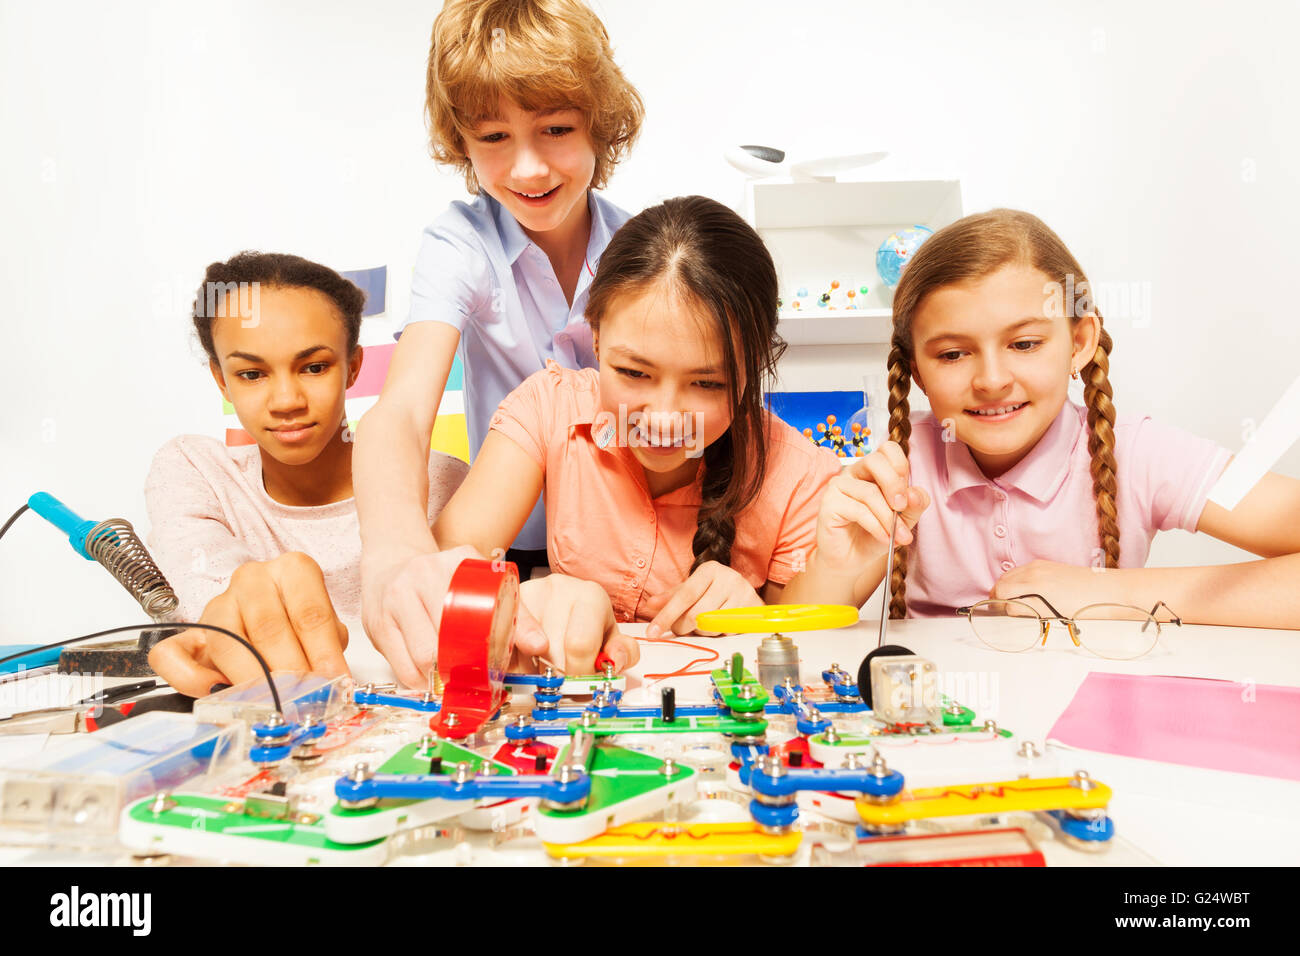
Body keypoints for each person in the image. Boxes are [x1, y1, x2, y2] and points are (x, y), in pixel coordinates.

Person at [782, 208, 1300, 628]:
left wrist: (1108, 593)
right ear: (916, 371)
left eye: (1024, 343)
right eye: (953, 354)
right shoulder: (901, 464)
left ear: (1079, 343)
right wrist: (836, 561)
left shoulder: (1136, 453)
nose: (990, 379)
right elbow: (799, 631)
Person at [146, 252, 633, 694]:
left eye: (314, 367)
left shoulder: (440, 482)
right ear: (220, 380)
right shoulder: (195, 470)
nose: (287, 401)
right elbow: (206, 585)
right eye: (252, 374)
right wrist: (233, 610)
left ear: (354, 367)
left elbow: (480, 623)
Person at [355, 0, 644, 674]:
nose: (529, 169)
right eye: (493, 138)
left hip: (625, 557)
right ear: (461, 141)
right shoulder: (462, 243)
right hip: (505, 558)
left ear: (600, 125)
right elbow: (399, 412)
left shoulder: (642, 249)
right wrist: (396, 556)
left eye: (556, 129)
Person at [433, 196, 844, 642]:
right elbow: (442, 581)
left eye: (708, 383)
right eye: (634, 373)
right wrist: (531, 600)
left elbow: (811, 661)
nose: (666, 421)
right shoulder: (549, 409)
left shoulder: (799, 474)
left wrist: (759, 617)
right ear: (594, 333)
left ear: (753, 366)